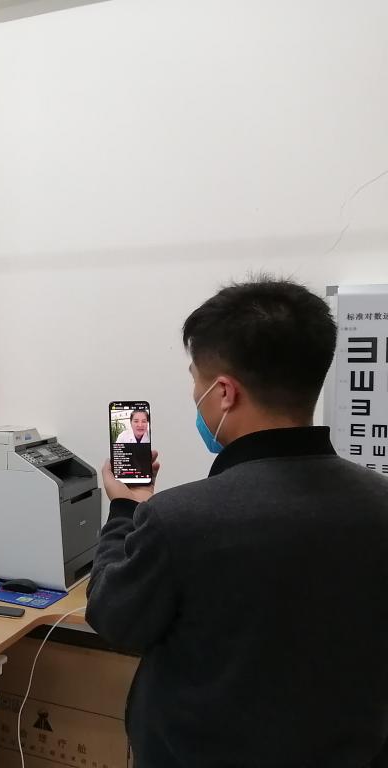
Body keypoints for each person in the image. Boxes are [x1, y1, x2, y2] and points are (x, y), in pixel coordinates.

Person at [87, 278, 388, 767]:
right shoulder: (379, 501)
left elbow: (115, 618)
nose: (195, 395)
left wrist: (125, 509)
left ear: (225, 392)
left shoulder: (180, 519)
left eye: (196, 381)